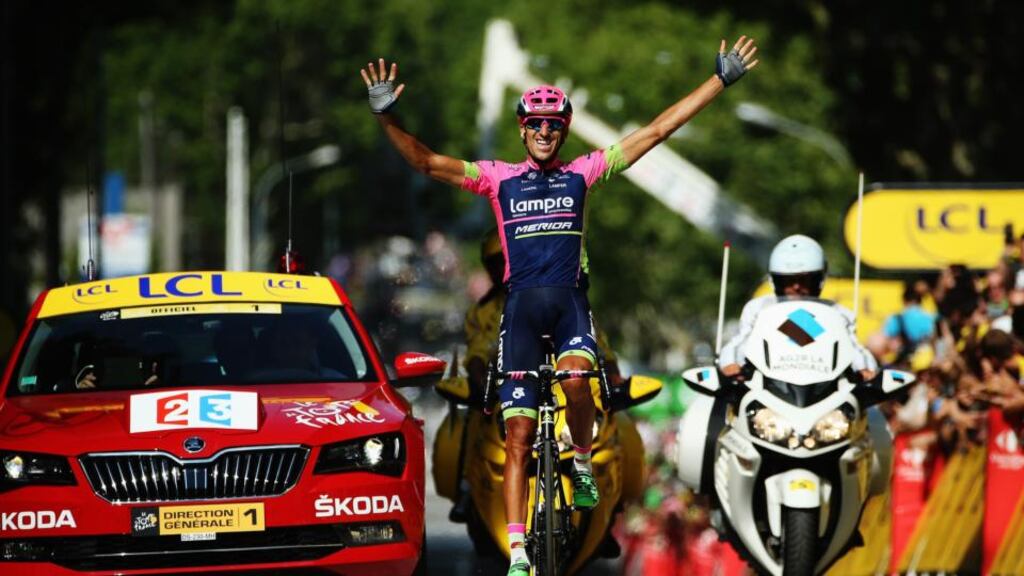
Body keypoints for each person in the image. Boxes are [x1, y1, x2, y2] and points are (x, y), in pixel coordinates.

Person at [361, 36, 759, 576]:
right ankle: (520, 551)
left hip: (570, 307)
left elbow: (657, 131)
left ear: (564, 131)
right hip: (520, 315)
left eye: (554, 125)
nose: (544, 132)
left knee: (576, 383)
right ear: (522, 130)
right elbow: (428, 162)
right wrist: (387, 116)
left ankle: (578, 458)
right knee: (518, 435)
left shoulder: (584, 173)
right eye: (535, 124)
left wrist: (719, 79)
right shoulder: (498, 179)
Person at [718, 234, 878, 380]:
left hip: (825, 390)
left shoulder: (838, 313)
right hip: (767, 388)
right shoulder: (759, 309)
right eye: (788, 280)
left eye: (804, 280)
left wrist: (866, 369)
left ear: (819, 279)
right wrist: (730, 364)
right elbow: (741, 342)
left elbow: (855, 348)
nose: (796, 287)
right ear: (774, 279)